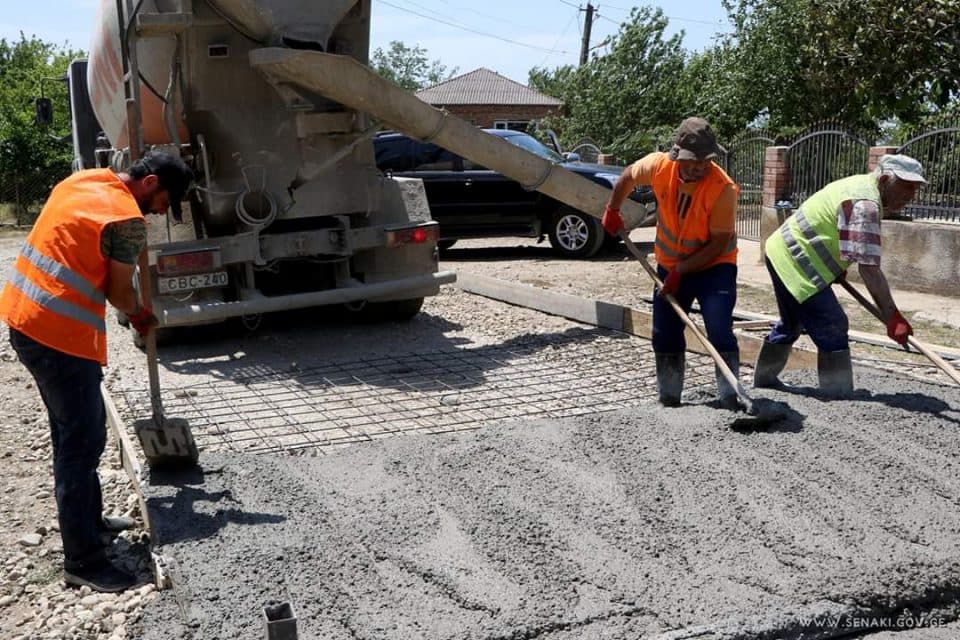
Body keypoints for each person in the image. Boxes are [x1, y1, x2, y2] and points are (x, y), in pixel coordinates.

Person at [0, 150, 193, 592]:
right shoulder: (125, 220)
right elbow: (118, 292)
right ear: (149, 185)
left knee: (70, 433)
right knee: (82, 442)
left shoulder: (85, 181)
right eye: (165, 201)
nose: (163, 211)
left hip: (24, 319)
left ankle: (90, 521)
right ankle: (83, 560)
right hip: (57, 338)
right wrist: (142, 315)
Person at [753, 154, 925, 397]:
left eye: (915, 189)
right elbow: (869, 269)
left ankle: (765, 381)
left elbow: (840, 235)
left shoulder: (861, 185)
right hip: (796, 260)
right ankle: (839, 398)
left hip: (782, 250)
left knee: (792, 322)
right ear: (886, 179)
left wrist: (836, 267)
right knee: (833, 324)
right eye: (906, 187)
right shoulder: (865, 204)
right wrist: (893, 316)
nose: (911, 196)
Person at [602, 117, 742, 409]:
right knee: (664, 332)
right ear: (677, 155)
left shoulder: (723, 189)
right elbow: (627, 176)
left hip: (715, 267)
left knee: (718, 327)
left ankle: (732, 397)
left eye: (705, 162)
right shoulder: (659, 166)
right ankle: (669, 398)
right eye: (693, 162)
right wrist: (613, 209)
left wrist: (681, 271)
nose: (700, 168)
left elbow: (718, 243)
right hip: (670, 265)